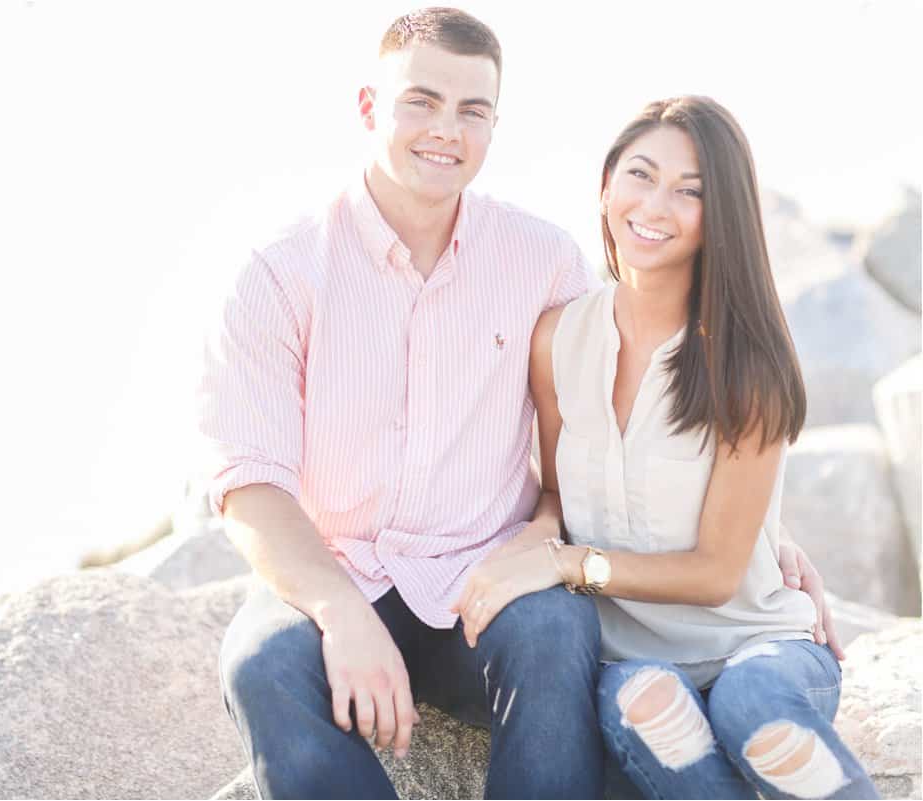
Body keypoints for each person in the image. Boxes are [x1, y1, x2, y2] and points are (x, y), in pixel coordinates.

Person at [199, 8, 839, 797]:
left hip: (487, 573)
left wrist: (764, 532)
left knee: (557, 624)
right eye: (420, 102)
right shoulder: (281, 274)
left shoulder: (541, 262)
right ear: (370, 108)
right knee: (261, 662)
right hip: (344, 569)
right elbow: (247, 483)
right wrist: (338, 612)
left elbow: (632, 419)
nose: (445, 130)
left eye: (472, 110)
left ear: (494, 126)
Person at [458, 96, 878, 799]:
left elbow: (717, 572)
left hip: (756, 644)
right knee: (648, 705)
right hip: (635, 659)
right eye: (641, 175)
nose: (656, 205)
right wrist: (531, 543)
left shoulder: (748, 366)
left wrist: (570, 564)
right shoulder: (556, 340)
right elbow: (559, 488)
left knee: (755, 709)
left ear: (722, 219)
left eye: (690, 191)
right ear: (605, 186)